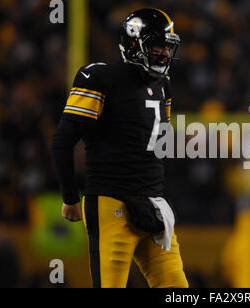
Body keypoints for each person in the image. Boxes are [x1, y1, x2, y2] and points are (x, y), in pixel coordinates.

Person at [52, 8, 188, 288]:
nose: (163, 53)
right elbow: (64, 139)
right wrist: (70, 197)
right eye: (156, 45)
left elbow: (154, 147)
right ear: (133, 43)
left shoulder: (164, 86)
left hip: (152, 204)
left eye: (166, 46)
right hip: (111, 203)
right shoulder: (100, 77)